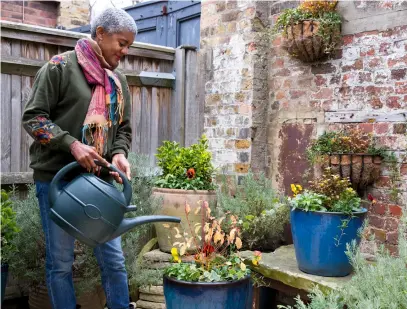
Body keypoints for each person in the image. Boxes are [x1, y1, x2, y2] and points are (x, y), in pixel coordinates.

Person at [22, 8, 138, 309]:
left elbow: (123, 128)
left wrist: (119, 153)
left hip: (100, 184)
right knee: (60, 264)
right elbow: (34, 119)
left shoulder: (118, 81)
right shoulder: (58, 68)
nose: (124, 51)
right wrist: (72, 145)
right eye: (121, 43)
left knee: (114, 261)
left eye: (128, 46)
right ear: (100, 33)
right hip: (56, 182)